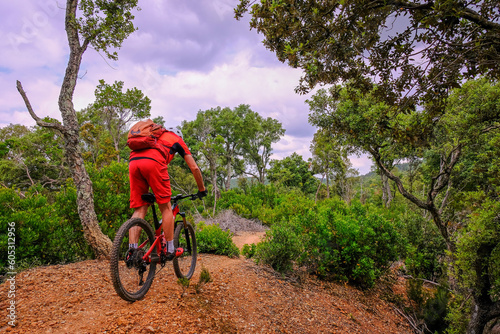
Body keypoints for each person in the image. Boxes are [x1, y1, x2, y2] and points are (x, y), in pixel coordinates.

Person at [128, 125, 206, 259]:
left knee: (140, 209)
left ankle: (132, 251)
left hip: (133, 162)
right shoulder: (177, 139)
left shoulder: (152, 136)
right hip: (153, 162)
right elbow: (195, 168)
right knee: (166, 207)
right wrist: (202, 189)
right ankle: (170, 249)